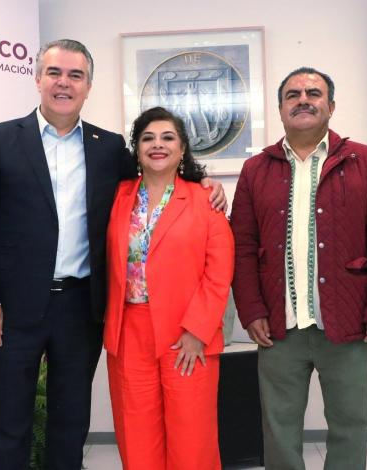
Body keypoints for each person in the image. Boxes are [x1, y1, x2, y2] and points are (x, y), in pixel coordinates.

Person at [0, 39, 226, 470]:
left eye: (75, 76)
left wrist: (206, 183)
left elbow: (155, 178)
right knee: (9, 421)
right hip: (12, 307)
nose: (64, 83)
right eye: (55, 73)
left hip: (80, 307)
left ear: (88, 86)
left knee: (70, 422)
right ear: (37, 78)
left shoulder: (108, 146)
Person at [230, 67, 367, 470]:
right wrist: (252, 311)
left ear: (331, 105)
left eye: (313, 92)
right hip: (278, 324)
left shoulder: (365, 161)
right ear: (280, 108)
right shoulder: (257, 169)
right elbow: (242, 246)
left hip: (346, 321)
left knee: (349, 424)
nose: (303, 99)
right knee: (278, 428)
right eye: (293, 94)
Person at [104, 107, 234, 470]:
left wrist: (198, 331)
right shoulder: (117, 196)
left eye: (167, 138)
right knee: (137, 436)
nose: (157, 145)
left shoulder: (205, 200)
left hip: (188, 334)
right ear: (137, 149)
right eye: (148, 138)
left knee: (191, 440)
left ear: (182, 149)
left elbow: (219, 271)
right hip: (128, 332)